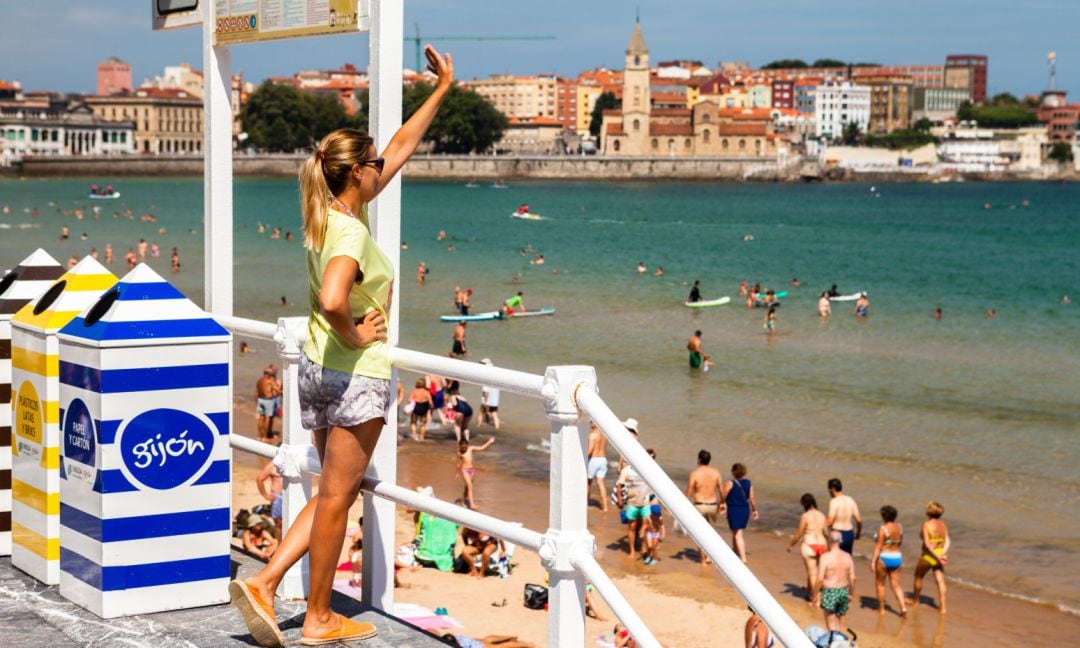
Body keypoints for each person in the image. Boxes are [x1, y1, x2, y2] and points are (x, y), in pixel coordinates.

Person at [228, 44, 454, 648]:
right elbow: (334, 299)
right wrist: (359, 331)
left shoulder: (324, 214)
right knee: (335, 498)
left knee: (333, 490)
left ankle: (268, 580)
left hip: (319, 369)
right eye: (373, 161)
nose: (384, 163)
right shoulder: (350, 227)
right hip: (354, 370)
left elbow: (401, 146)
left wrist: (441, 89)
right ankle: (319, 617)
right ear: (357, 172)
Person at [910, 501, 950, 613]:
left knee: (918, 576)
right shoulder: (943, 524)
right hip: (939, 553)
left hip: (929, 555)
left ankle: (916, 600)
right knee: (940, 580)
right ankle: (943, 607)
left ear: (928, 512)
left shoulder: (926, 524)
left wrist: (936, 556)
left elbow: (927, 544)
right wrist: (942, 553)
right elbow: (947, 540)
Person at [686, 449, 725, 564]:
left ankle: (703, 559)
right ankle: (710, 557)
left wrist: (684, 502)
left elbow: (689, 489)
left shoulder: (695, 473)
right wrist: (723, 502)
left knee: (700, 534)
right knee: (710, 533)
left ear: (698, 460)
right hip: (713, 505)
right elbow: (721, 489)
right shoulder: (716, 472)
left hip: (700, 505)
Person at [788, 493, 828, 602]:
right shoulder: (822, 515)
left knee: (812, 573)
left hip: (809, 545)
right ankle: (808, 592)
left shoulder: (805, 516)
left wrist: (791, 545)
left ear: (804, 504)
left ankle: (816, 598)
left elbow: (799, 534)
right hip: (822, 545)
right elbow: (825, 532)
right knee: (816, 572)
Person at [814, 531, 856, 633]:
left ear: (829, 541)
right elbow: (853, 578)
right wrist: (851, 594)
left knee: (831, 624)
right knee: (837, 621)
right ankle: (838, 641)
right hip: (843, 591)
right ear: (840, 541)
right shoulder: (847, 556)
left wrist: (815, 595)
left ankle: (835, 642)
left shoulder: (825, 557)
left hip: (830, 592)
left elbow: (819, 579)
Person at [871, 505, 908, 616]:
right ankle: (903, 607)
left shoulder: (883, 529)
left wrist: (873, 561)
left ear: (883, 516)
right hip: (897, 557)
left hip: (884, 557)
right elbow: (900, 542)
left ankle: (881, 609)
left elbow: (878, 547)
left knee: (880, 584)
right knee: (896, 585)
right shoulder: (899, 527)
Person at [615, 452, 652, 560]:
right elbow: (619, 485)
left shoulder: (646, 470)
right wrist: (620, 500)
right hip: (632, 503)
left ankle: (643, 548)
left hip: (645, 503)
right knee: (632, 527)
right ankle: (632, 551)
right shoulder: (626, 471)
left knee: (646, 526)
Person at [723, 463, 758, 563]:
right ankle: (735, 551)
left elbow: (723, 496)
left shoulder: (730, 483)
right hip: (745, 510)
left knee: (738, 533)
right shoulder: (748, 483)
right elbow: (751, 498)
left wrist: (721, 505)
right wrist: (754, 510)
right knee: (736, 532)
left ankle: (743, 557)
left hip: (734, 509)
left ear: (733, 472)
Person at [825, 478, 862, 555]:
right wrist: (858, 533)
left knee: (834, 558)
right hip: (849, 533)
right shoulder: (850, 500)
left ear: (832, 489)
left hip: (837, 533)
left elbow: (830, 521)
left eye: (829, 489)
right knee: (847, 558)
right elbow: (859, 520)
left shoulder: (834, 501)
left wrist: (821, 531)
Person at [457, 437, 495, 509]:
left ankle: (462, 502)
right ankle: (472, 505)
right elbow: (458, 463)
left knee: (467, 488)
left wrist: (489, 442)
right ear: (460, 446)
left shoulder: (471, 448)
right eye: (462, 447)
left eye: (465, 446)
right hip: (464, 471)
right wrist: (458, 473)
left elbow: (482, 448)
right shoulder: (459, 453)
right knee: (470, 487)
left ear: (467, 445)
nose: (464, 448)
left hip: (471, 470)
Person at [256, 461, 284, 540]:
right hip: (278, 497)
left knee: (295, 521)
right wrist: (265, 495)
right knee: (279, 524)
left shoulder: (294, 461)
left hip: (292, 496)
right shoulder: (272, 465)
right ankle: (280, 545)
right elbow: (259, 479)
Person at [587, 422, 610, 512]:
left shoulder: (592, 435)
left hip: (594, 460)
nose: (590, 424)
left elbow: (590, 450)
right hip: (603, 459)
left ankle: (586, 502)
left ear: (595, 424)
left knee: (588, 482)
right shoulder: (604, 435)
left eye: (591, 422)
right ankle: (605, 507)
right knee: (601, 483)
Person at [255, 367, 279, 444]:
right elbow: (277, 390)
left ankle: (260, 435)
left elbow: (256, 392)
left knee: (260, 418)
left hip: (260, 400)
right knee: (268, 418)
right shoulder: (269, 381)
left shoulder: (259, 380)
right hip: (268, 400)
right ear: (269, 374)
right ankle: (265, 437)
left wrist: (257, 401)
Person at [479, 358, 501, 430]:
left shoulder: (486, 376)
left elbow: (486, 391)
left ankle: (479, 426)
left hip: (487, 400)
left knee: (481, 413)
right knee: (494, 414)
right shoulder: (496, 374)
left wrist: (485, 402)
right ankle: (497, 428)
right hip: (495, 401)